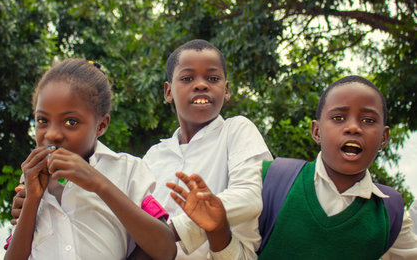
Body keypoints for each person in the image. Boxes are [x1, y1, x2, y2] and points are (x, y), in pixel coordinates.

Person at [168, 75, 417, 259]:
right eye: (338, 118)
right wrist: (219, 229)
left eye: (368, 120)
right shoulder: (272, 182)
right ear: (316, 131)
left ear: (384, 138)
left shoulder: (391, 213)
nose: (353, 127)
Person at [4, 58, 176, 260]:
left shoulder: (127, 170)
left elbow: (166, 250)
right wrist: (33, 199)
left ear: (101, 125)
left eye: (71, 122)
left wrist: (98, 183)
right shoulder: (31, 183)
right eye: (42, 120)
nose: (52, 134)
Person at [142, 39, 273, 259]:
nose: (201, 85)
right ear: (168, 91)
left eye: (212, 78)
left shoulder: (236, 130)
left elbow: (249, 197)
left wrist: (173, 231)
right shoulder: (154, 155)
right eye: (187, 78)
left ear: (227, 89)